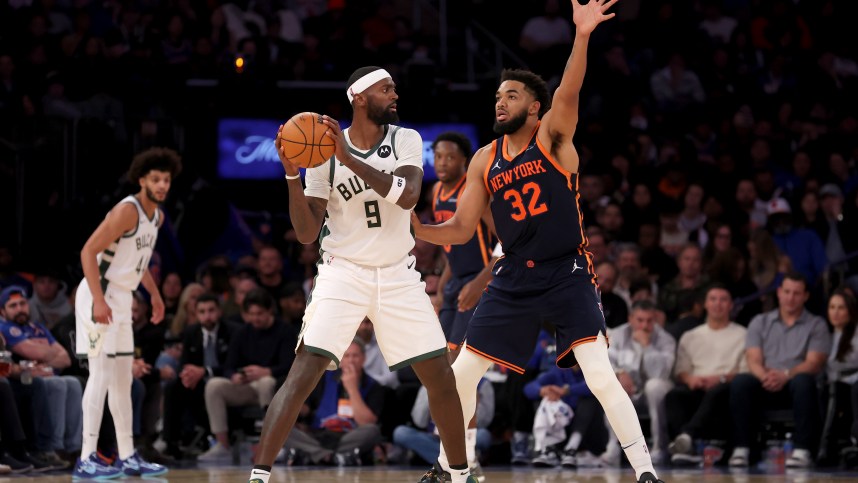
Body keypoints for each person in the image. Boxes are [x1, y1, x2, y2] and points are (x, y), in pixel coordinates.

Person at [410, 2, 663, 482]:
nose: (499, 102)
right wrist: (417, 229)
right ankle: (448, 470)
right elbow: (463, 229)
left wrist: (583, 36)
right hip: (513, 275)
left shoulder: (553, 136)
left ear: (533, 106)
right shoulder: (484, 159)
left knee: (599, 374)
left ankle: (646, 472)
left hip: (567, 271)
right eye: (497, 96)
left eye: (510, 95)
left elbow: (570, 88)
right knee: (461, 375)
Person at [248, 65, 473, 483]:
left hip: (398, 273)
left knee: (441, 374)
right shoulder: (320, 153)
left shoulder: (405, 139)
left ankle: (460, 475)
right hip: (343, 272)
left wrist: (348, 158)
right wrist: (292, 174)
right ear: (360, 98)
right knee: (303, 373)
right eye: (387, 89)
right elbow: (305, 233)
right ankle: (258, 477)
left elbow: (407, 196)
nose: (395, 95)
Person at [72, 147, 180, 479]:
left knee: (122, 380)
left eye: (167, 180)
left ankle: (128, 455)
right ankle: (86, 457)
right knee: (101, 375)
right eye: (156, 179)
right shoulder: (127, 211)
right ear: (141, 180)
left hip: (122, 298)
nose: (162, 185)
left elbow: (139, 260)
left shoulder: (158, 217)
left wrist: (155, 295)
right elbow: (88, 251)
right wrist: (99, 299)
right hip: (98, 293)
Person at [430, 130, 496, 478]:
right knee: (445, 372)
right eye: (438, 156)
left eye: (450, 157)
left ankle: (465, 457)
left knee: (460, 374)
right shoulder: (436, 192)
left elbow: (508, 244)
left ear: (465, 162)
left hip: (481, 284)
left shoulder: (477, 196)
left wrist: (478, 282)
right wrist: (442, 287)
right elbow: (450, 247)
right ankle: (456, 456)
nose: (442, 163)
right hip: (456, 284)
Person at [728, 272, 830, 469]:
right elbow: (753, 358)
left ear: (806, 296)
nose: (791, 298)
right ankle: (741, 448)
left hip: (796, 386)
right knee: (741, 382)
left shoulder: (817, 324)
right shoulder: (760, 321)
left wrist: (785, 375)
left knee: (803, 380)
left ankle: (802, 450)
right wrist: (766, 376)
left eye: (797, 293)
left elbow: (814, 363)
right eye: (787, 292)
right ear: (779, 293)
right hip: (765, 381)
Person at [666, 285, 747, 465]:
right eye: (713, 299)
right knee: (674, 396)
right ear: (705, 304)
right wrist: (690, 379)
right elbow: (681, 371)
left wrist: (721, 378)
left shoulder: (743, 334)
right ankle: (687, 449)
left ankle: (687, 436)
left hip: (726, 388)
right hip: (697, 386)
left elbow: (745, 371)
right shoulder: (690, 336)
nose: (718, 304)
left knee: (717, 391)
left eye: (723, 299)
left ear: (731, 305)